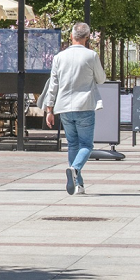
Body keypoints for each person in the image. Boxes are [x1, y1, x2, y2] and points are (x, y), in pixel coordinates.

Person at [42, 22, 106, 195]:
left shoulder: (59, 57)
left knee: (72, 145)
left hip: (64, 107)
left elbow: (53, 86)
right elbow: (101, 79)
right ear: (87, 38)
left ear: (71, 36)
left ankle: (79, 184)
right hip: (84, 105)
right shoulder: (91, 56)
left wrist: (49, 110)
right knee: (86, 145)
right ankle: (75, 169)